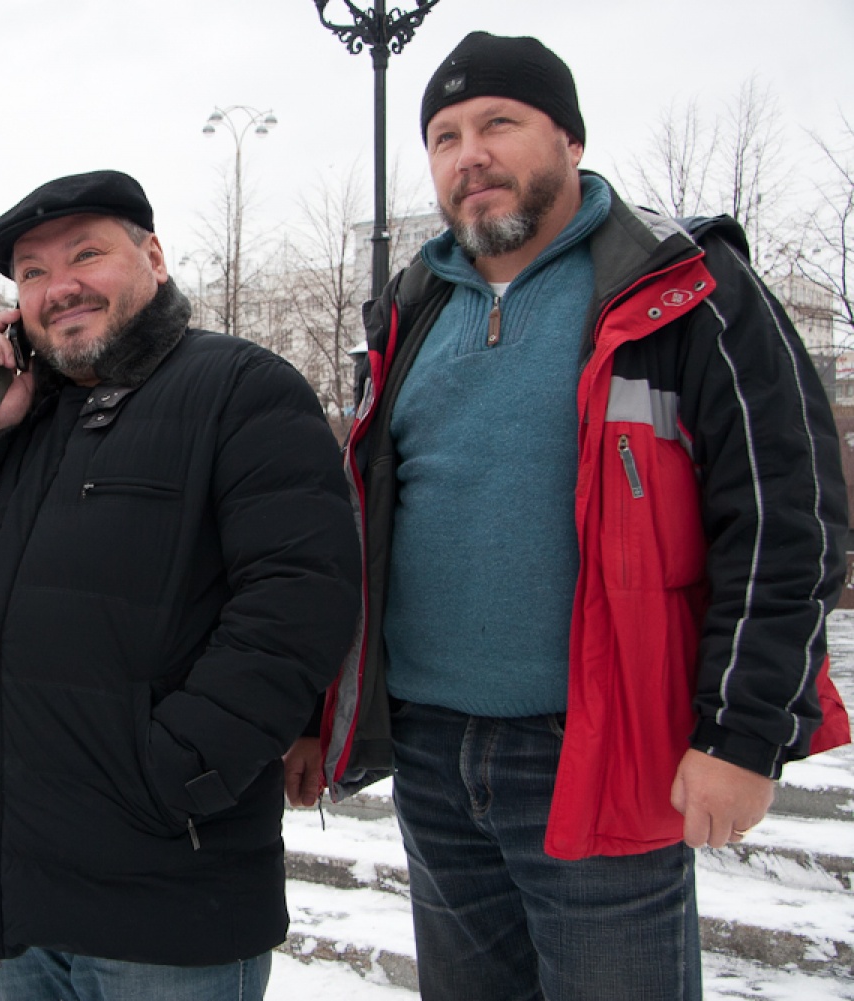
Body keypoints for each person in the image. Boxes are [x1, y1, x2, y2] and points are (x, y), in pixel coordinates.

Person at [284, 32, 851, 1001]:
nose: (470, 155)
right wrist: (316, 709)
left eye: (499, 123)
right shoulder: (412, 307)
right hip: (431, 749)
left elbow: (783, 516)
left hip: (601, 744)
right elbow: (362, 531)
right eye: (445, 137)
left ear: (570, 140)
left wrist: (743, 733)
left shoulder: (682, 285)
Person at [0, 170, 361, 1001]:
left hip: (169, 902)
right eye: (32, 272)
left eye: (86, 255)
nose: (59, 286)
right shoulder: (12, 421)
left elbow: (298, 600)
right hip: (17, 899)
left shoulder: (240, 388)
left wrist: (176, 774)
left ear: (154, 259)